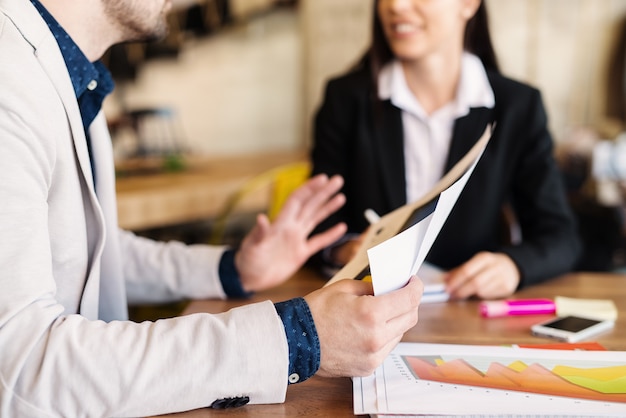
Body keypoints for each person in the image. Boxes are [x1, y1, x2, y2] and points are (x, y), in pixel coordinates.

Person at [0, 0, 424, 416]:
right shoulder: (8, 81)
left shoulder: (65, 76)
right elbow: (21, 370)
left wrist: (233, 269)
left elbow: (86, 249)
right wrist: (295, 339)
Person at [311, 0, 582, 300]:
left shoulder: (517, 107)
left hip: (465, 312)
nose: (396, 6)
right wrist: (344, 250)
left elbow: (561, 237)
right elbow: (317, 227)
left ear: (468, 4)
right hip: (366, 308)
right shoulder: (345, 100)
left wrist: (513, 266)